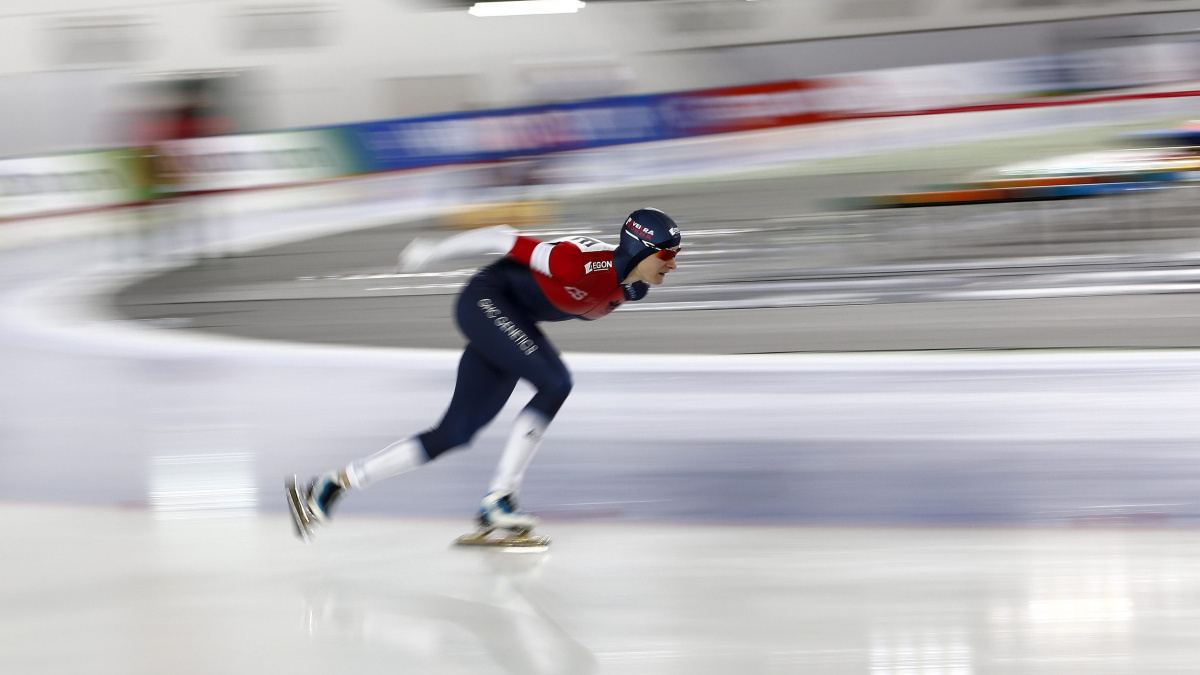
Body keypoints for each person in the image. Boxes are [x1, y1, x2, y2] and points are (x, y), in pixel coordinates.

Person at [287, 208, 682, 540]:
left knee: (454, 434)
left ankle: (332, 484)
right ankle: (500, 498)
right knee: (555, 382)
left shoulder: (634, 289)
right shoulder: (575, 263)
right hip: (486, 301)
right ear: (639, 249)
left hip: (511, 323)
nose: (673, 264)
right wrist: (433, 249)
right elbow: (500, 236)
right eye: (667, 255)